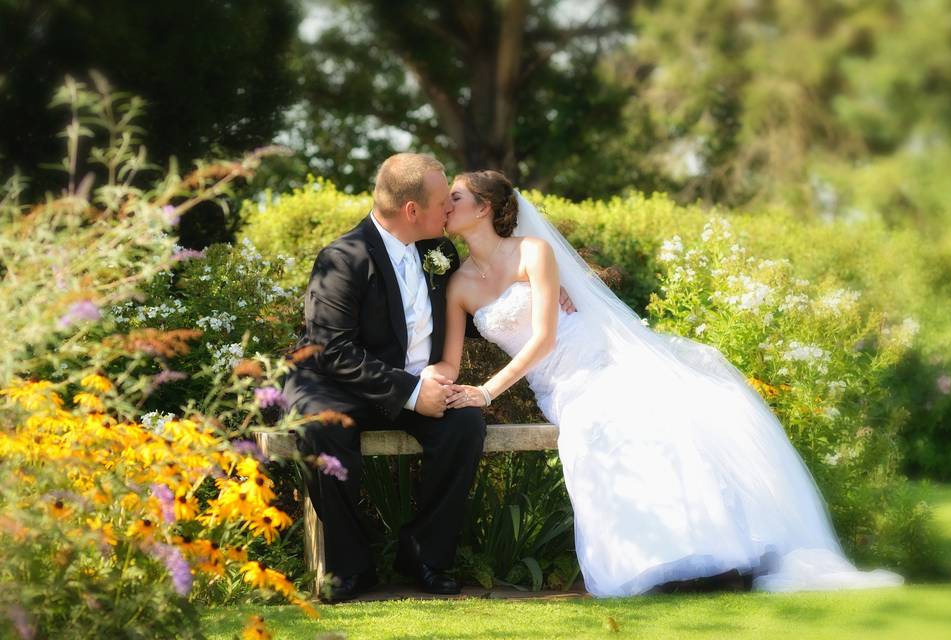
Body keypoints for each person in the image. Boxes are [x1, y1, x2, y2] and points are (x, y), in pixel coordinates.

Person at [426, 169, 903, 597]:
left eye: (455, 196)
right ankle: (670, 558)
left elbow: (546, 336)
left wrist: (487, 391)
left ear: (485, 207)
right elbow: (449, 360)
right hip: (558, 386)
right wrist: (436, 380)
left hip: (601, 360)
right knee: (599, 427)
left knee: (650, 417)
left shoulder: (534, 252)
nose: (446, 205)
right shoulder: (460, 285)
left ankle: (715, 555)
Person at [282, 153, 487, 603]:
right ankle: (352, 567)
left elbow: (470, 312)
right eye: (442, 203)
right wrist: (413, 394)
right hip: (337, 385)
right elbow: (332, 351)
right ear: (412, 211)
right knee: (318, 428)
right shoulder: (342, 258)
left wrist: (540, 293)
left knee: (464, 425)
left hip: (419, 384)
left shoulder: (438, 250)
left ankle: (424, 557)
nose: (449, 211)